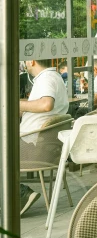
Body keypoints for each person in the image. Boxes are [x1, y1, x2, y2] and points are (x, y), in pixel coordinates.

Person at [19, 59, 68, 215]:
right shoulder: (54, 76)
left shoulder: (46, 78)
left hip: (31, 148)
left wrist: (14, 103)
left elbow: (46, 104)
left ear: (31, 61)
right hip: (44, 144)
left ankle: (20, 194)